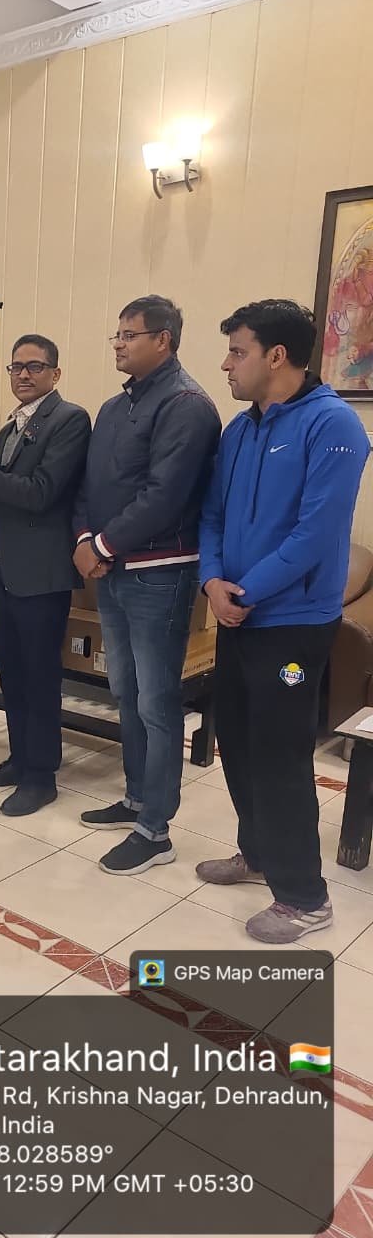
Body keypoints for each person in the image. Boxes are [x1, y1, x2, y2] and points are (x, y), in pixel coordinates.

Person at [197, 299, 368, 943]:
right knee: (238, 742)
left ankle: (305, 898)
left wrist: (245, 591)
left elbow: (315, 535)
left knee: (282, 755)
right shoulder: (239, 430)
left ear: (276, 356)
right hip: (236, 614)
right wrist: (213, 581)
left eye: (237, 351)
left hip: (292, 623)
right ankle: (258, 854)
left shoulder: (334, 426)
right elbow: (212, 515)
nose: (226, 364)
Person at [73, 295, 221, 876]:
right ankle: (136, 797)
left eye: (129, 334)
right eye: (116, 333)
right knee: (125, 691)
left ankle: (156, 829)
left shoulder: (188, 405)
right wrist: (85, 538)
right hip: (112, 569)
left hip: (160, 573)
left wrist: (103, 546)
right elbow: (88, 485)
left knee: (158, 703)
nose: (118, 343)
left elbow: (165, 495)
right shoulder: (115, 406)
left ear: (164, 340)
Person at [0, 334, 90, 815]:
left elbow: (39, 493)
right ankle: (20, 759)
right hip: (4, 570)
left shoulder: (69, 420)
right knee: (12, 674)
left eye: (34, 366)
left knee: (40, 678)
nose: (23, 375)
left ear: (55, 373)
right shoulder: (8, 430)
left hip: (42, 574)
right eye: (16, 367)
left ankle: (41, 776)